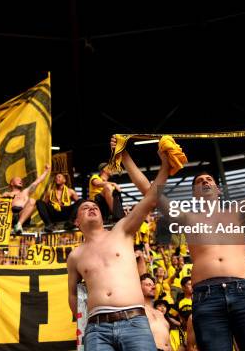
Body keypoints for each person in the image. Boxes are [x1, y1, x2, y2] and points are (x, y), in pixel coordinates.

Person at [114, 124, 245, 351]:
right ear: (194, 193)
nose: (205, 182)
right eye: (199, 182)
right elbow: (148, 191)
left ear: (218, 190)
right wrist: (125, 157)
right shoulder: (187, 216)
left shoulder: (237, 211)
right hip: (206, 296)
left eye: (209, 179)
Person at [67, 148, 169, 350]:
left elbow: (152, 199)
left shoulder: (122, 229)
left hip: (134, 322)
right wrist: (82, 324)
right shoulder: (75, 256)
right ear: (77, 221)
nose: (92, 207)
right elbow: (72, 293)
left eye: (94, 206)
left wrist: (164, 166)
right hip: (96, 329)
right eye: (84, 208)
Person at [1, 164, 50, 234]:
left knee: (32, 201)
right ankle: (17, 225)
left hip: (23, 215)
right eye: (18, 180)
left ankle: (19, 224)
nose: (20, 181)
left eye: (21, 180)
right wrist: (3, 197)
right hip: (10, 216)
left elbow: (37, 182)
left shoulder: (25, 192)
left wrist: (46, 171)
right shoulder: (7, 194)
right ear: (11, 183)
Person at [141, 273, 171, 351]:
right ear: (138, 288)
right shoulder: (139, 310)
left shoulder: (160, 313)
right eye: (148, 285)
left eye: (153, 285)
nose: (154, 287)